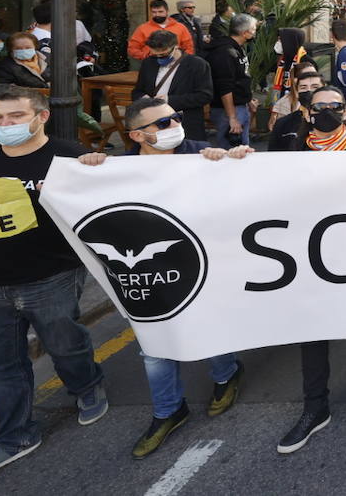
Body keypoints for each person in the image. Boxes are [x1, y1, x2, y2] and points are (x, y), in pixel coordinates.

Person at [0, 88, 106, 487]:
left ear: (41, 117)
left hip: (53, 275)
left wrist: (98, 166)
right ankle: (15, 435)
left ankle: (86, 384)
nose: (5, 126)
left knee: (65, 344)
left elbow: (112, 195)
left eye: (15, 117)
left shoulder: (67, 156)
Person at [76, 97, 249, 458]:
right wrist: (87, 168)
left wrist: (232, 161)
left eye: (176, 118)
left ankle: (225, 375)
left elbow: (243, 188)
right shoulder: (115, 169)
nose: (175, 126)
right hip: (149, 272)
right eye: (165, 122)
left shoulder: (201, 153)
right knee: (154, 345)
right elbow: (81, 199)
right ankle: (168, 411)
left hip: (206, 262)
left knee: (210, 325)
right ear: (138, 135)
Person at [277, 86, 346, 454]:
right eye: (318, 106)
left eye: (334, 106)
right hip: (308, 256)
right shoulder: (291, 153)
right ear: (306, 111)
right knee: (313, 327)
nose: (326, 111)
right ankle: (315, 406)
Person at [132, 29, 214, 141]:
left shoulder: (197, 64)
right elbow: (137, 91)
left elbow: (205, 96)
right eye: (155, 55)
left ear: (176, 46)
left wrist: (169, 100)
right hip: (154, 124)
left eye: (163, 54)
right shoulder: (148, 63)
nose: (159, 58)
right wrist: (143, 98)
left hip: (186, 124)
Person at [204, 13, 257, 148]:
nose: (255, 31)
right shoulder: (225, 52)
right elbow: (224, 86)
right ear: (245, 32)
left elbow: (240, 76)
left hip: (238, 106)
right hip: (228, 110)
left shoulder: (237, 48)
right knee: (233, 152)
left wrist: (248, 99)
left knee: (242, 149)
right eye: (254, 28)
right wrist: (232, 117)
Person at [268, 70, 324, 151]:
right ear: (297, 92)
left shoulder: (337, 121)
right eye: (303, 87)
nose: (309, 91)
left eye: (315, 87)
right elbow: (272, 156)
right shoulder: (283, 124)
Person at [127, 0, 195, 60]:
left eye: (160, 12)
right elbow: (133, 48)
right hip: (152, 64)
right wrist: (146, 56)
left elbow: (189, 47)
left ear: (167, 11)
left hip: (175, 64)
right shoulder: (142, 28)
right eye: (154, 12)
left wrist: (182, 59)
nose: (157, 14)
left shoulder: (180, 27)